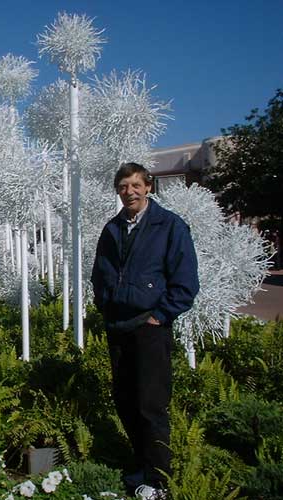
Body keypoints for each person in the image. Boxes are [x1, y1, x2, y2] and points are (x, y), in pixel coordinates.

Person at [92, 163, 199, 500]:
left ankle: (158, 480)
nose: (130, 192)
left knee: (150, 405)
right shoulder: (112, 228)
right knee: (124, 399)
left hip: (150, 328)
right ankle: (140, 465)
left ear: (149, 187)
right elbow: (100, 273)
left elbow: (185, 283)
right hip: (118, 326)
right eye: (123, 186)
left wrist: (159, 316)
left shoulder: (169, 226)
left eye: (136, 185)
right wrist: (105, 306)